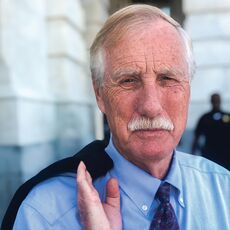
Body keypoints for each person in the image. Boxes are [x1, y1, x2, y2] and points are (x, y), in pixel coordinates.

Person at [2, 4, 230, 230]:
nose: (151, 106)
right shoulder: (43, 215)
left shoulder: (224, 188)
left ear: (188, 88)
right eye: (128, 81)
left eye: (168, 78)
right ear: (99, 93)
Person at [191, 93, 230, 170]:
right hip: (210, 155)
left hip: (226, 155)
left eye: (217, 100)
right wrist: (193, 154)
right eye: (214, 100)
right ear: (211, 101)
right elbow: (197, 136)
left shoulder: (227, 116)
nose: (216, 102)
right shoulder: (205, 118)